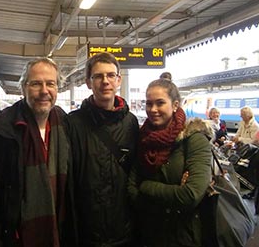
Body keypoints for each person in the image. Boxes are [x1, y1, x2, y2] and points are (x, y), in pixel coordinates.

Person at [0, 57, 75, 246]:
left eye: (50, 84)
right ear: (23, 88)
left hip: (60, 235)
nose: (44, 91)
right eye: (36, 84)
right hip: (14, 239)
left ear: (58, 88)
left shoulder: (66, 126)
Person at [128, 78, 213, 247]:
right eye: (149, 103)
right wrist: (173, 193)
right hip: (148, 234)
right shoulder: (143, 139)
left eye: (160, 103)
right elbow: (131, 189)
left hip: (183, 236)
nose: (153, 110)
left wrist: (145, 186)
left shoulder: (193, 139)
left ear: (175, 105)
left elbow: (190, 195)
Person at [66, 52, 140, 246]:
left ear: (118, 80)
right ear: (88, 83)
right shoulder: (73, 123)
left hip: (124, 229)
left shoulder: (131, 122)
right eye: (98, 76)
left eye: (110, 75)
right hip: (86, 231)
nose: (105, 81)